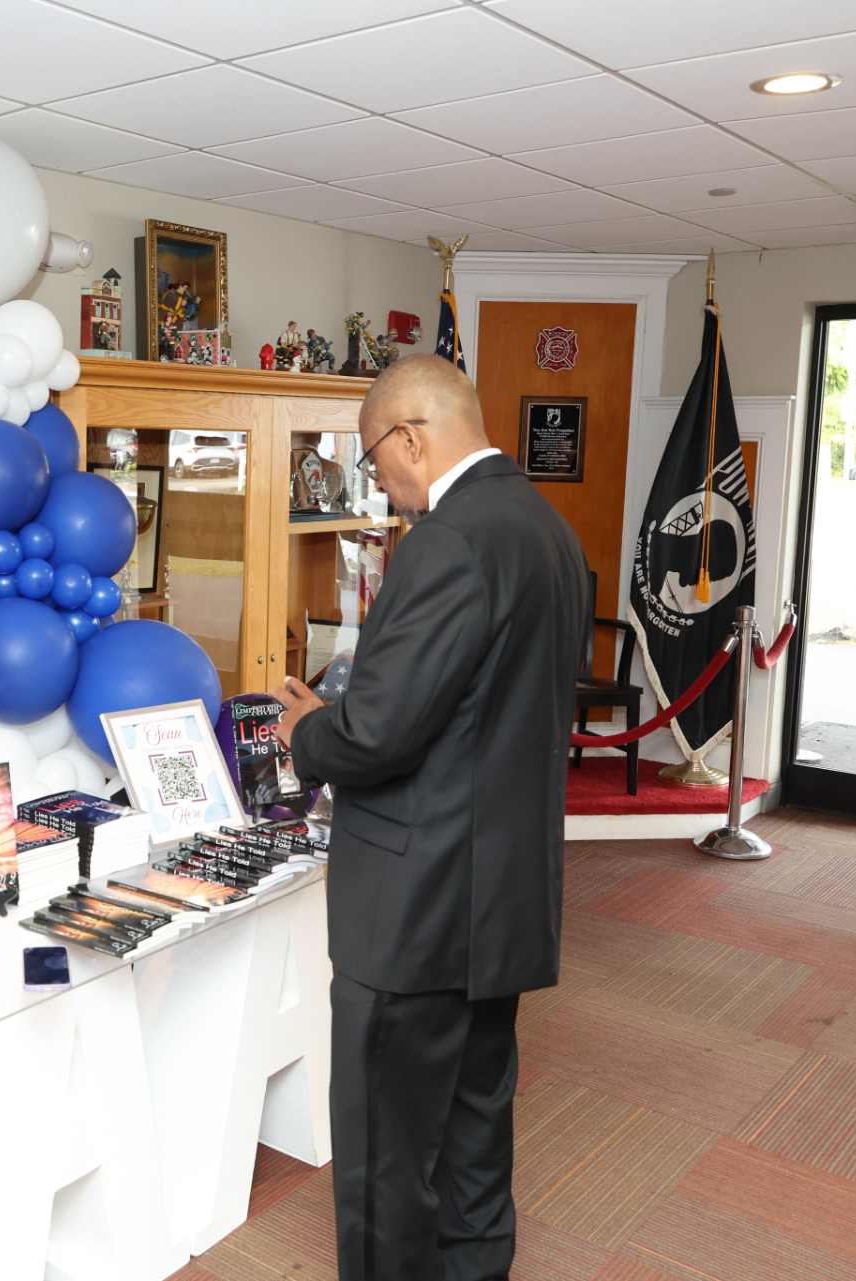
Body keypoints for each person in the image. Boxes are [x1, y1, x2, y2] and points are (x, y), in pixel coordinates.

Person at [273, 355, 588, 1281]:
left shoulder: (449, 541)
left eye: (377, 461)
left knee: (384, 1159)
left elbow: (377, 738)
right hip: (501, 900)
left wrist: (307, 731)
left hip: (415, 912)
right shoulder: (547, 528)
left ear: (410, 435)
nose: (381, 483)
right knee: (476, 1134)